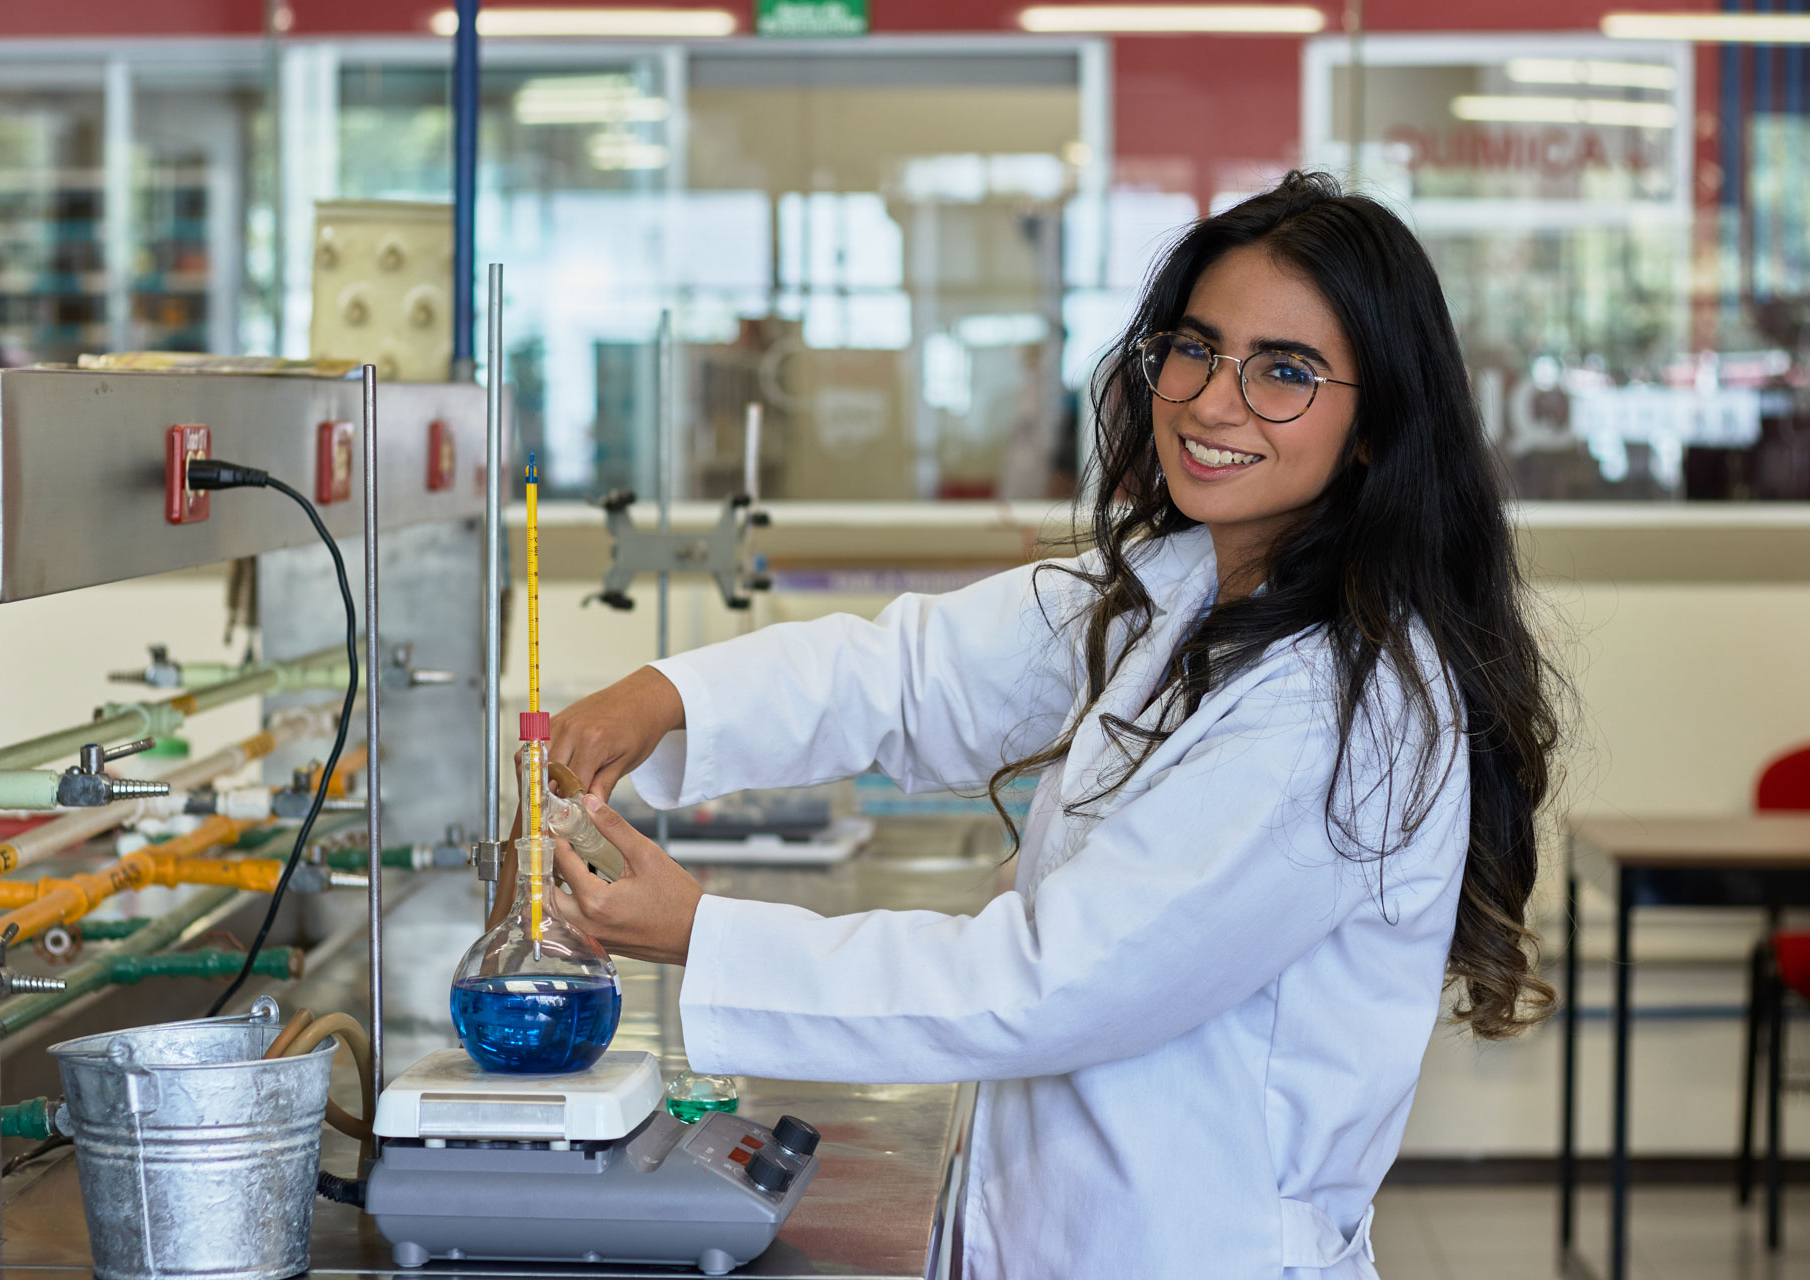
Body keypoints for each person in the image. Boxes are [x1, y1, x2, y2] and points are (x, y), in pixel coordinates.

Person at [539, 171, 1563, 1280]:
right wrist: (669, 698)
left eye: (1286, 372)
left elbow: (1051, 980)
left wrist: (708, 931)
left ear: (1376, 426)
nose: (1213, 401)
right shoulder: (1179, 584)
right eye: (1195, 347)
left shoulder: (1336, 705)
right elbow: (914, 673)